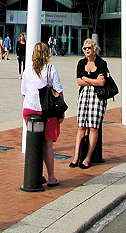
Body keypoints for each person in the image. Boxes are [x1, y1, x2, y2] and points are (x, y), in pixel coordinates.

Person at [20, 42, 63, 187]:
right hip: (47, 111)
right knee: (47, 145)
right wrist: (60, 112)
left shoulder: (27, 71)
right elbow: (58, 91)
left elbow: (23, 93)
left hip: (29, 110)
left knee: (34, 142)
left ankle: (35, 174)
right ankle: (51, 177)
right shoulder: (51, 70)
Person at [69, 38, 109, 169]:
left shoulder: (101, 63)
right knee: (81, 126)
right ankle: (76, 157)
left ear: (94, 49)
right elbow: (79, 81)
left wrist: (86, 79)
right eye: (85, 48)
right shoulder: (81, 63)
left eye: (89, 48)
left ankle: (87, 157)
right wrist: (93, 80)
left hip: (97, 96)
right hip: (84, 95)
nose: (87, 50)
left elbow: (101, 82)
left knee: (93, 127)